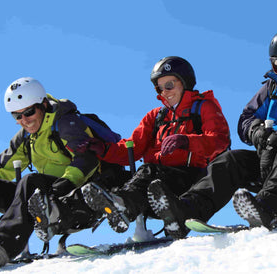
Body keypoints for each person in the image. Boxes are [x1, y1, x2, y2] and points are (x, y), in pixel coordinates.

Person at [144, 27, 277, 238]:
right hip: (272, 160)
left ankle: (268, 208)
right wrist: (258, 133)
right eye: (276, 65)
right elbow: (245, 119)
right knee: (231, 160)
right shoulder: (272, 87)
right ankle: (186, 210)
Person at [81, 56, 231, 238]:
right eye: (160, 88)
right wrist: (103, 149)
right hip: (157, 187)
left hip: (190, 178)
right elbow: (132, 147)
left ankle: (125, 207)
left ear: (185, 82)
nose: (165, 92)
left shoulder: (202, 108)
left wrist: (187, 141)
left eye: (169, 85)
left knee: (149, 171)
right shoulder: (157, 116)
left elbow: (219, 140)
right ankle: (115, 206)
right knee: (119, 176)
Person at [0, 77, 125, 266]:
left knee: (29, 182)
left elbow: (87, 158)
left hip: (79, 198)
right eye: (17, 116)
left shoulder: (65, 123)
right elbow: (1, 169)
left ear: (43, 104)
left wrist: (65, 183)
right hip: (43, 201)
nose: (24, 120)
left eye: (28, 112)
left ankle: (1, 248)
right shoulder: (26, 137)